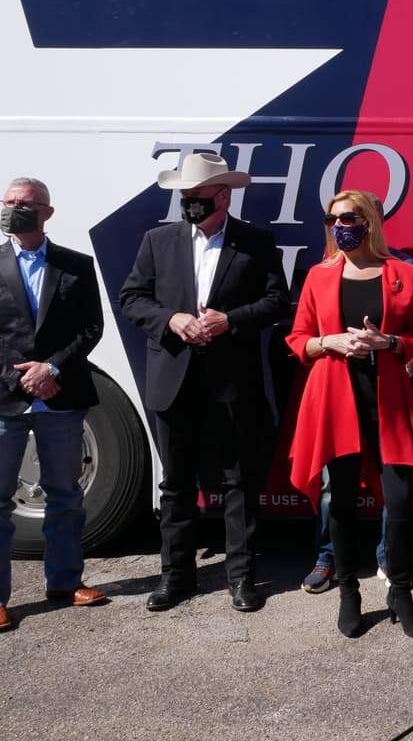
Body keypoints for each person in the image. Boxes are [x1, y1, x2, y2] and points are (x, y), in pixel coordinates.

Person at [120, 152, 289, 613]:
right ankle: (175, 577)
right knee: (176, 484)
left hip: (233, 382)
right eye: (185, 196)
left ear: (223, 196)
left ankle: (241, 579)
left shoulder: (255, 242)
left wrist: (230, 320)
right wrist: (172, 319)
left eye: (197, 197)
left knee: (239, 481)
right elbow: (131, 297)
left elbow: (278, 302)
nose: (189, 203)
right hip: (174, 378)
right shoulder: (159, 241)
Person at [0, 177, 107, 633]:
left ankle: (64, 582)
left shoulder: (76, 265)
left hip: (60, 398)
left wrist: (52, 370)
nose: (14, 208)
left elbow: (90, 328)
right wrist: (25, 377)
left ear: (47, 212)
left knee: (65, 495)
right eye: (8, 202)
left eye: (24, 203)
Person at [286, 190, 413, 639]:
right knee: (342, 502)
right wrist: (327, 342)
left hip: (387, 399)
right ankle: (349, 593)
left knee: (401, 498)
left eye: (348, 218)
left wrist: (387, 343)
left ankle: (401, 593)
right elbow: (298, 338)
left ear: (368, 221)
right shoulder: (318, 275)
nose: (339, 226)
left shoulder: (402, 273)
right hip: (334, 399)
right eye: (332, 219)